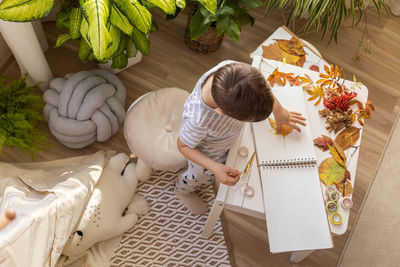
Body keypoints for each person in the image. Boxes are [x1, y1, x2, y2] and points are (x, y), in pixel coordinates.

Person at [175, 60, 306, 214]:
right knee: (200, 175)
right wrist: (214, 167)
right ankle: (182, 190)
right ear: (223, 114)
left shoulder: (234, 70)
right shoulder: (199, 120)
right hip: (207, 153)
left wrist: (278, 110)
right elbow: (183, 146)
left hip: (226, 137)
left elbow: (263, 86)